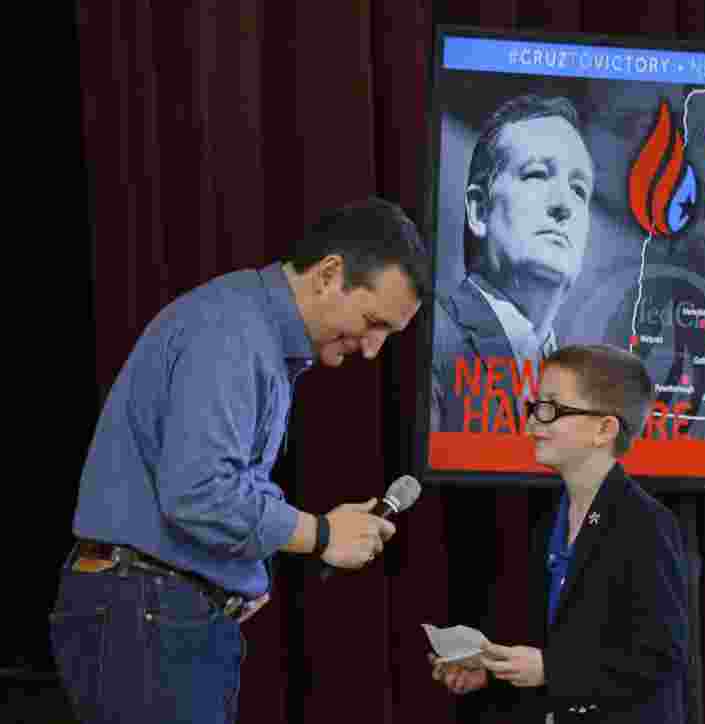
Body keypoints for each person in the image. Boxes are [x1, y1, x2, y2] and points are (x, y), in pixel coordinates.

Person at [49, 197, 429, 724]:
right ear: (329, 274)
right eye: (372, 322)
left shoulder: (254, 334)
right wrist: (320, 534)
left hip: (154, 613)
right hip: (147, 615)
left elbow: (226, 481)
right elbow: (199, 492)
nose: (372, 349)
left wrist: (244, 568)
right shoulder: (232, 335)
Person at [430, 344, 689, 722]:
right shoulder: (552, 519)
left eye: (552, 409)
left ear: (604, 429)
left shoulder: (646, 523)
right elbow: (564, 648)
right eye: (535, 407)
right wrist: (490, 671)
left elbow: (659, 658)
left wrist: (551, 670)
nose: (533, 424)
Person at [431, 94, 595, 433]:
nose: (564, 204)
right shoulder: (428, 339)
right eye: (536, 174)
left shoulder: (589, 394)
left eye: (579, 190)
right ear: (479, 210)